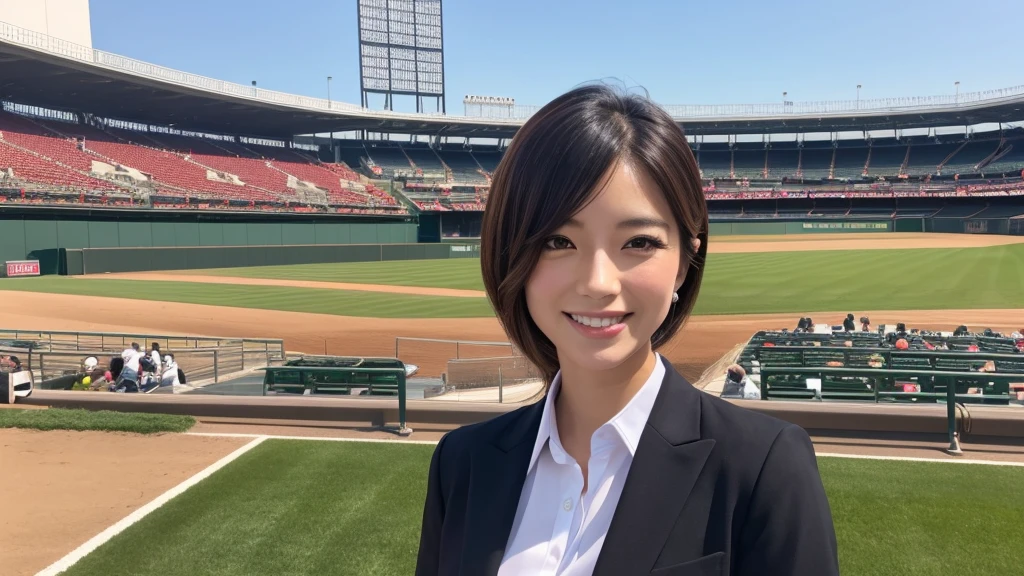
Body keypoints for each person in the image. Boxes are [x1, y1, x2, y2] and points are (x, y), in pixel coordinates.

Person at [414, 84, 838, 576]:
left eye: (638, 242)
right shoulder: (460, 464)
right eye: (557, 240)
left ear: (685, 260)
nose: (598, 283)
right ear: (515, 255)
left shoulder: (765, 468)